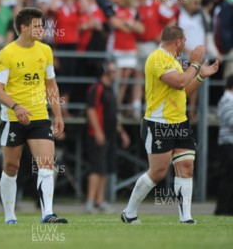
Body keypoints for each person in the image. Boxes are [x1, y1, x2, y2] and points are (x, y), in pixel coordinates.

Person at [122, 26, 219, 224]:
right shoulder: (157, 58)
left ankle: (186, 218)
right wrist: (195, 64)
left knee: (186, 167)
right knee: (157, 172)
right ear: (178, 41)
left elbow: (183, 92)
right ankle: (129, 213)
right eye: (184, 40)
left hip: (180, 122)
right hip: (159, 124)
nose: (185, 45)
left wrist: (200, 75)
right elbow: (180, 82)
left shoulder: (173, 60)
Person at [0, 7, 66, 225]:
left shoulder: (45, 51)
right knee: (11, 167)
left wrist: (58, 115)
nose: (41, 29)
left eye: (42, 25)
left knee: (46, 163)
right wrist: (16, 107)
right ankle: (10, 216)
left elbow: (51, 84)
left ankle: (48, 214)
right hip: (13, 119)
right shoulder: (7, 53)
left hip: (40, 117)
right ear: (23, 28)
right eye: (36, 25)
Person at [85, 61, 130, 213]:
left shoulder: (110, 90)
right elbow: (91, 110)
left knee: (105, 169)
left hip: (109, 135)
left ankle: (100, 201)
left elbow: (113, 115)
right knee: (96, 168)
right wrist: (98, 131)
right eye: (113, 71)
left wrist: (121, 132)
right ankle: (90, 201)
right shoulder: (97, 88)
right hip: (98, 134)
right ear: (106, 72)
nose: (116, 74)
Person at [215, 75, 233, 215]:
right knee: (227, 178)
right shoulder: (227, 100)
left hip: (228, 145)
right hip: (228, 145)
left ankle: (226, 209)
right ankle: (222, 210)